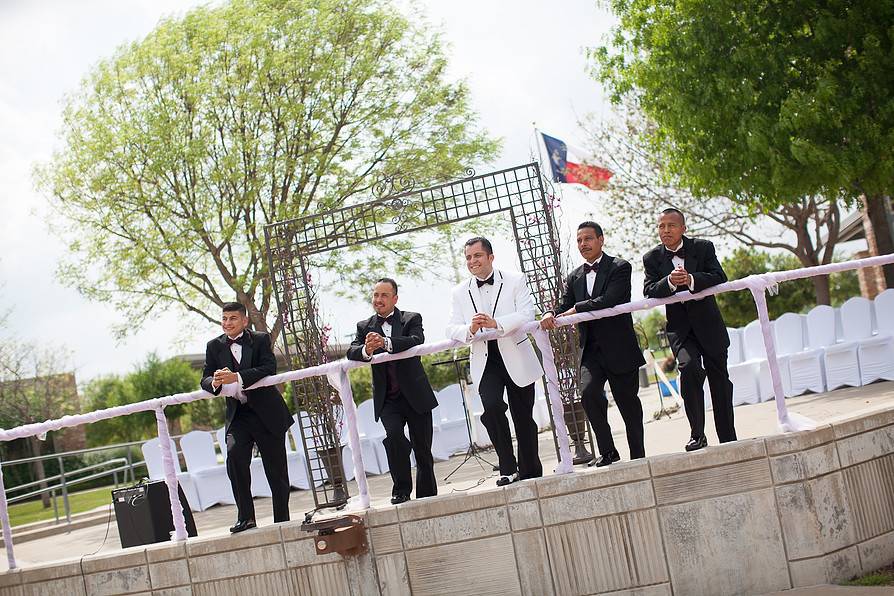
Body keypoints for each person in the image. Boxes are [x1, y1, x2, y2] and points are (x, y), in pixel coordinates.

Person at [540, 221, 645, 467]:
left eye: (588, 239)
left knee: (628, 404)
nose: (583, 244)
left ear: (601, 239)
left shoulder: (620, 267)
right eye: (579, 240)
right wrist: (550, 314)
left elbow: (610, 300)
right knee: (588, 395)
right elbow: (564, 305)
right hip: (591, 352)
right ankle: (608, 451)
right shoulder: (574, 276)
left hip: (620, 348)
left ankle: (638, 456)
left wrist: (578, 309)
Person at [446, 237, 543, 486]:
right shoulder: (459, 292)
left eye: (477, 256)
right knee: (491, 409)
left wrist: (496, 324)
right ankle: (508, 468)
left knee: (523, 418)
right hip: (485, 359)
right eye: (468, 257)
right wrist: (469, 328)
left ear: (490, 257)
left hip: (516, 355)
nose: (472, 261)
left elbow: (526, 314)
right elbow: (450, 328)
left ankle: (531, 471)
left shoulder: (515, 279)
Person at [642, 208, 737, 451]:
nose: (666, 230)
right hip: (680, 330)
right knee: (689, 368)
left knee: (719, 380)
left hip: (709, 325)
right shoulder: (651, 258)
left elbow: (719, 276)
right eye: (661, 226)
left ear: (683, 228)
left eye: (671, 225)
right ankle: (697, 434)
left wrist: (691, 280)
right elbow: (650, 289)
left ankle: (728, 437)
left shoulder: (703, 247)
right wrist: (670, 283)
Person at [201, 302, 293, 533]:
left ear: (244, 321)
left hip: (267, 413)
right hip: (238, 415)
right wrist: (215, 382)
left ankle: (282, 518)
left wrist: (237, 378)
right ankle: (246, 517)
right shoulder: (213, 346)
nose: (227, 323)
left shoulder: (260, 339)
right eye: (224, 318)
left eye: (233, 318)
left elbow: (269, 368)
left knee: (277, 469)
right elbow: (204, 378)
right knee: (234, 458)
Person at [346, 278, 438, 504]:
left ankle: (427, 496)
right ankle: (401, 490)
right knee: (394, 438)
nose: (378, 300)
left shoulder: (411, 318)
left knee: (423, 449)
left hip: (416, 395)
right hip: (388, 400)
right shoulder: (364, 326)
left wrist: (385, 343)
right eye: (375, 295)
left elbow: (416, 340)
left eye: (384, 295)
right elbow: (352, 351)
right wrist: (367, 349)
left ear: (395, 299)